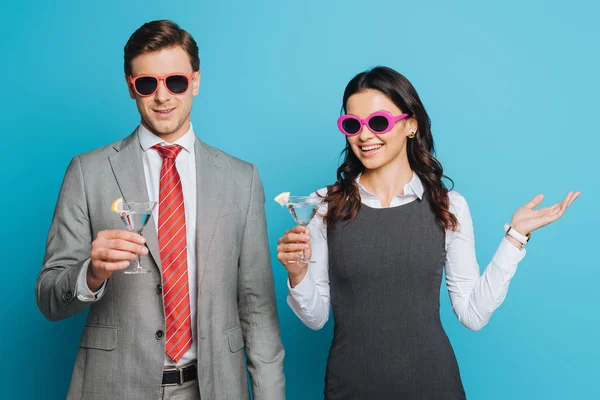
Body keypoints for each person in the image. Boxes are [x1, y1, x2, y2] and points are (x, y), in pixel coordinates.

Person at [276, 66, 579, 399]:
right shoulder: (324, 205)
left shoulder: (448, 206)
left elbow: (473, 314)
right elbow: (316, 318)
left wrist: (515, 237)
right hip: (350, 387)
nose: (364, 136)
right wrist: (297, 272)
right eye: (352, 125)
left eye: (378, 122)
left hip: (433, 385)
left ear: (410, 124)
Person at [36, 19, 285, 400]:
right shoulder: (88, 172)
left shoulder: (242, 179)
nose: (163, 96)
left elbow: (257, 309)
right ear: (131, 87)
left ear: (196, 82)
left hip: (213, 388)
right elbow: (49, 298)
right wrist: (92, 273)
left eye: (176, 81)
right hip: (114, 387)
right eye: (148, 83)